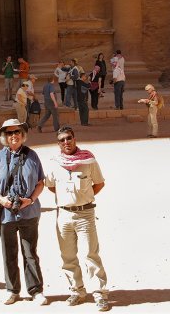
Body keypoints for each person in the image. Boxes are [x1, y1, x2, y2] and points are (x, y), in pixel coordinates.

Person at [45, 126, 110, 312]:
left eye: (69, 138)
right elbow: (51, 186)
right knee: (68, 256)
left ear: (75, 139)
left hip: (85, 214)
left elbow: (99, 183)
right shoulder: (54, 163)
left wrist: (84, 198)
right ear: (58, 143)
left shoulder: (88, 160)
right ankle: (77, 290)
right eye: (62, 140)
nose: (66, 142)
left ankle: (100, 294)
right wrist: (67, 200)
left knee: (91, 254)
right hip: (63, 215)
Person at [0, 118, 47, 306]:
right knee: (9, 253)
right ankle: (12, 290)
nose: (14, 136)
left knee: (30, 253)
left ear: (23, 134)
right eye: (9, 133)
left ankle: (36, 290)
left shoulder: (32, 155)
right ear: (4, 136)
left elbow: (40, 182)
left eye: (17, 132)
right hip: (6, 214)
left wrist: (31, 200)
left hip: (29, 212)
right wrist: (1, 199)